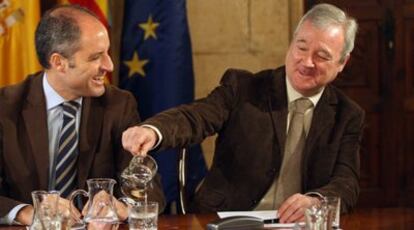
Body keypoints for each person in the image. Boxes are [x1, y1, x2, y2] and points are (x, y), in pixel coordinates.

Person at [122, 3, 364, 223]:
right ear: (291, 43)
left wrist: (316, 201)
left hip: (297, 224)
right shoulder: (244, 88)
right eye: (301, 47)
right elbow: (196, 116)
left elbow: (347, 182)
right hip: (227, 218)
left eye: (322, 56)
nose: (307, 62)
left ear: (342, 63)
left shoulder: (347, 115)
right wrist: (153, 130)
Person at [0, 5, 165, 225]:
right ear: (58, 62)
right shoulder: (6, 107)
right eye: (96, 57)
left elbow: (149, 192)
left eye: (107, 52)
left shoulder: (119, 104)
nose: (109, 65)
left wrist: (122, 207)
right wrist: (27, 212)